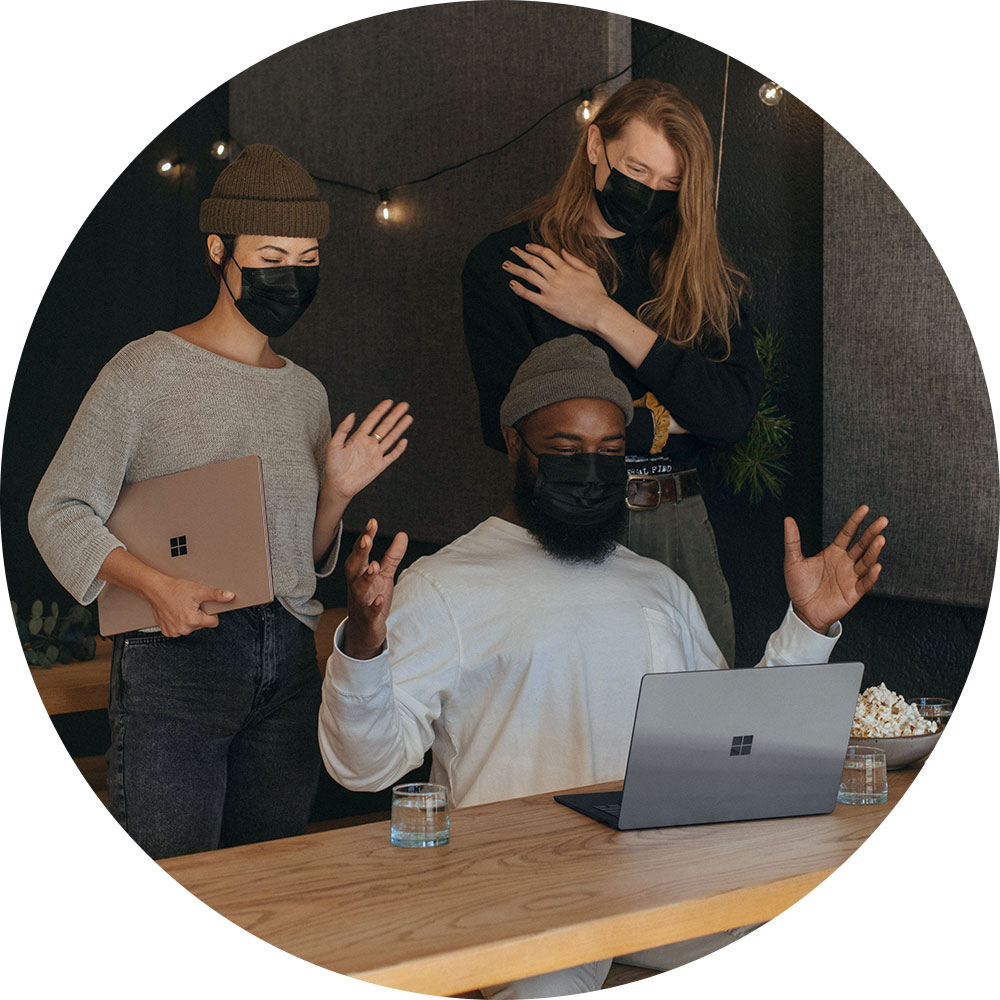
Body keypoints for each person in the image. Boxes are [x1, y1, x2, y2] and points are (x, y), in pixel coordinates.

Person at [318, 336, 886, 998]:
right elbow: (363, 767)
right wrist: (363, 642)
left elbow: (728, 747)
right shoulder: (442, 587)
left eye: (610, 455)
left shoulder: (659, 587)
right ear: (513, 444)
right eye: (564, 453)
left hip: (664, 883)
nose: (590, 471)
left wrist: (809, 626)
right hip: (517, 896)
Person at [28, 144, 412, 861]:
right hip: (178, 661)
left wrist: (334, 493)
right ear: (218, 250)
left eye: (306, 259)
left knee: (267, 890)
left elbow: (297, 558)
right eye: (271, 255)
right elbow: (56, 509)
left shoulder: (307, 392)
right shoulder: (145, 370)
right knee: (177, 883)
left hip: (291, 661)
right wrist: (155, 587)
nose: (291, 277)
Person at [462, 78, 766, 669]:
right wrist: (665, 419)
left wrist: (601, 313)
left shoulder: (701, 273)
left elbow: (729, 415)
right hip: (564, 523)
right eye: (637, 169)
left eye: (669, 184)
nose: (650, 192)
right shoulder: (512, 264)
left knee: (700, 719)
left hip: (681, 523)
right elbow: (510, 422)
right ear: (595, 146)